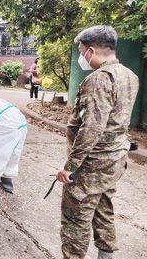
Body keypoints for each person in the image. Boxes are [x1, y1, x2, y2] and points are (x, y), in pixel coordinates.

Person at [55, 25, 139, 259]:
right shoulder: (129, 75)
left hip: (93, 163)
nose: (82, 57)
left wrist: (70, 168)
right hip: (115, 158)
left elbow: (91, 128)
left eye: (82, 51)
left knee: (75, 217)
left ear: (91, 50)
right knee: (103, 208)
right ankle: (106, 255)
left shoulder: (99, 79)